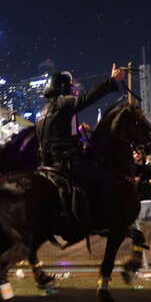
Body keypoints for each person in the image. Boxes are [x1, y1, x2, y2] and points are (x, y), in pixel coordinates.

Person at [36, 64, 127, 226]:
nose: (72, 91)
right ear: (63, 88)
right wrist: (111, 81)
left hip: (47, 165)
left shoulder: (43, 111)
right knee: (107, 179)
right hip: (69, 163)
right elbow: (87, 98)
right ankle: (104, 222)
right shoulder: (62, 103)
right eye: (70, 87)